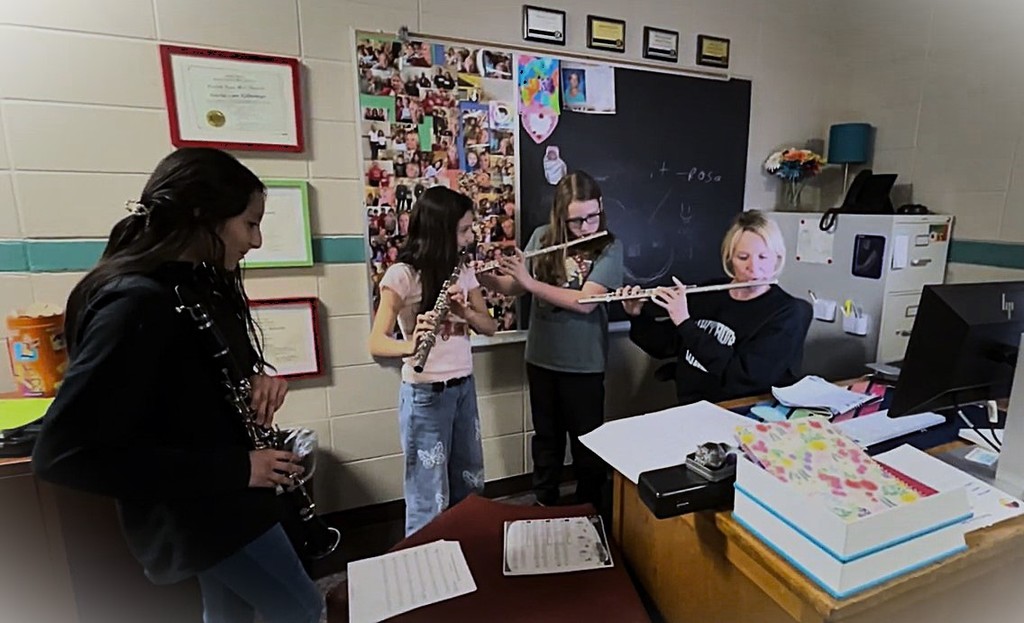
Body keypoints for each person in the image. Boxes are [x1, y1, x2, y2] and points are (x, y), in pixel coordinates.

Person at [30, 147, 324, 623]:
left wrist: (257, 377)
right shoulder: (134, 304)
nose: (257, 239)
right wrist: (239, 469)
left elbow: (201, 365)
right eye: (249, 224)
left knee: (227, 612)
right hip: (203, 512)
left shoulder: (190, 282)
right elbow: (62, 454)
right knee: (301, 608)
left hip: (221, 499)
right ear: (200, 216)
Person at [477, 171, 623, 511]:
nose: (586, 226)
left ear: (601, 207)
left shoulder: (610, 247)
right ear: (560, 216)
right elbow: (514, 287)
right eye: (576, 221)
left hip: (584, 364)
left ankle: (590, 507)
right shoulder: (543, 238)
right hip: (541, 359)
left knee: (587, 443)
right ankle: (545, 502)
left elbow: (586, 303)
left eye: (593, 216)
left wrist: (529, 282)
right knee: (546, 439)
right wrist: (485, 275)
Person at [368, 186, 498, 536]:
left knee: (469, 480)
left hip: (462, 388)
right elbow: (376, 342)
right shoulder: (403, 275)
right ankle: (424, 570)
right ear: (440, 230)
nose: (470, 238)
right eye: (464, 230)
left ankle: (466, 552)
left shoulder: (463, 270)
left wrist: (464, 311)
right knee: (428, 492)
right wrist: (411, 344)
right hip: (426, 395)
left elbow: (490, 326)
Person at [620, 210, 811, 405]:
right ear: (730, 258)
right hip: (691, 406)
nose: (753, 268)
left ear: (777, 258)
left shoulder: (786, 314)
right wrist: (637, 315)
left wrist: (686, 323)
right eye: (743, 257)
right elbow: (665, 346)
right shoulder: (709, 293)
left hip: (740, 412)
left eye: (763, 257)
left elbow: (742, 377)